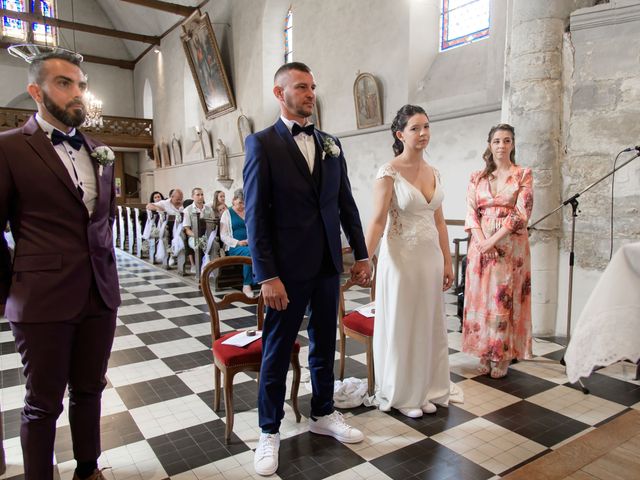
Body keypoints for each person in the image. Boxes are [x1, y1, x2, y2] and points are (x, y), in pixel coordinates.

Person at [243, 62, 371, 476]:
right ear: (280, 94)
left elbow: (345, 203)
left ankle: (322, 414)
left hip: (327, 265)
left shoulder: (331, 144)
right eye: (301, 87)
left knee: (323, 343)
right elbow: (256, 217)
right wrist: (267, 275)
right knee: (278, 350)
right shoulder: (261, 144)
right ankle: (268, 431)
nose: (310, 93)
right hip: (285, 270)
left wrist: (362, 254)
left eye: (313, 87)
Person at [0, 51, 120, 480]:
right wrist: (9, 291)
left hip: (100, 293)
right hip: (41, 298)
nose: (77, 94)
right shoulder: (10, 147)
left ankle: (88, 468)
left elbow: (101, 221)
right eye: (64, 83)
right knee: (42, 402)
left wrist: (107, 276)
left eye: (81, 85)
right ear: (36, 91)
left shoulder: (100, 151)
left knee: (90, 389)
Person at [364, 105, 453, 418]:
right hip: (400, 257)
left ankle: (427, 388)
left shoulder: (434, 171)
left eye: (426, 126)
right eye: (415, 128)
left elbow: (440, 222)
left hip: (430, 256)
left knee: (429, 321)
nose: (423, 133)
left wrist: (447, 262)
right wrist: (364, 258)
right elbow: (376, 221)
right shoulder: (388, 172)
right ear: (400, 134)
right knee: (405, 321)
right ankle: (402, 393)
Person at [462, 124, 534, 379]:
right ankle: (483, 351)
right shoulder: (477, 177)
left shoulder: (523, 174)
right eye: (496, 141)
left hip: (509, 246)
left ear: (513, 144)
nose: (501, 145)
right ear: (489, 145)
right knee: (480, 298)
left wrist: (493, 240)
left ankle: (501, 353)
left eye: (506, 140)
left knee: (502, 298)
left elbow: (521, 213)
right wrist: (482, 241)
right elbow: (471, 212)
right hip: (481, 246)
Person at [220, 188, 254, 297]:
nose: (242, 206)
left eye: (244, 203)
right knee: (249, 252)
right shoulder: (227, 213)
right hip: (233, 247)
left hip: (251, 243)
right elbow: (223, 236)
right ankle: (246, 285)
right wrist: (238, 242)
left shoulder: (249, 212)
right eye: (240, 203)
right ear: (234, 200)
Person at [183, 187, 215, 272]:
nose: (200, 197)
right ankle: (199, 268)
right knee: (199, 244)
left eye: (202, 194)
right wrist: (197, 236)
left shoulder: (209, 209)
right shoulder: (187, 210)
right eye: (198, 195)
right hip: (194, 237)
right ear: (193, 196)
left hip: (208, 236)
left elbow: (213, 224)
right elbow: (187, 229)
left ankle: (212, 268)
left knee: (214, 244)